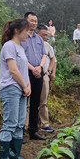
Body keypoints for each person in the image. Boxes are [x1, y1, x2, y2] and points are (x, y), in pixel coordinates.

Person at [0, 19, 32, 159]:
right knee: (10, 123)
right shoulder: (9, 46)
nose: (29, 34)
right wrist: (24, 86)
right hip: (11, 87)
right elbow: (13, 70)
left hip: (21, 87)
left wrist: (28, 85)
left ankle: (15, 154)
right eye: (27, 30)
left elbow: (23, 70)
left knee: (19, 124)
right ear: (17, 31)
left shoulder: (20, 48)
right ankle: (3, 157)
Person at [21, 12, 47, 141]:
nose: (34, 23)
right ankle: (20, 131)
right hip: (26, 72)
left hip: (39, 71)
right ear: (26, 21)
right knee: (23, 102)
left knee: (36, 102)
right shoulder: (22, 38)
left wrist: (40, 67)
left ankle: (33, 131)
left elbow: (44, 55)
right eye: (31, 20)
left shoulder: (39, 39)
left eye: (35, 21)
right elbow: (21, 57)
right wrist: (32, 68)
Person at [37, 24, 57, 133]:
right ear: (37, 33)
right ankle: (26, 125)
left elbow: (53, 59)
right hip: (32, 75)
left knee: (43, 101)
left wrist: (49, 71)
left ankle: (44, 124)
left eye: (46, 35)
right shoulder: (31, 44)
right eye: (43, 35)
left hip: (44, 75)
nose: (45, 37)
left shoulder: (46, 45)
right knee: (29, 103)